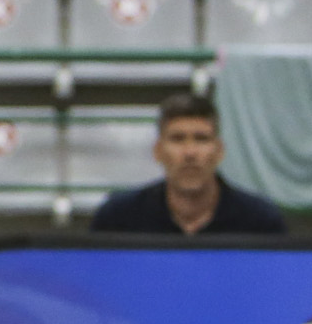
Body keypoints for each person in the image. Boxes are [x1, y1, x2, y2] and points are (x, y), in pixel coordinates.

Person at [90, 91, 287, 235]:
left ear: (219, 151)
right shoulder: (117, 219)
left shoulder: (260, 222)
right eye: (177, 139)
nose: (190, 153)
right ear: (158, 150)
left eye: (201, 139)